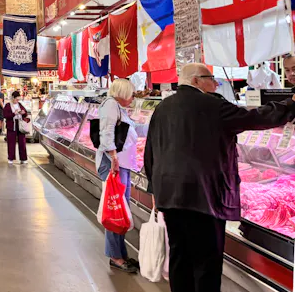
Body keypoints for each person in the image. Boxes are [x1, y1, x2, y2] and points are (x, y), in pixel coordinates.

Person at [145, 63, 295, 292]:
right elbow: (255, 118)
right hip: (205, 197)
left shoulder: (163, 107)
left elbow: (151, 151)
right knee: (207, 262)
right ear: (196, 80)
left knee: (179, 256)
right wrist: (290, 104)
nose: (216, 84)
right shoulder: (213, 105)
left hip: (170, 196)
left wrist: (155, 190)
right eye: (211, 78)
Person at [95, 78, 145, 274]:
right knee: (115, 210)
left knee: (121, 210)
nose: (132, 98)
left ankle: (120, 253)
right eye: (131, 94)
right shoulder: (110, 105)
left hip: (122, 164)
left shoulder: (118, 108)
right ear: (122, 93)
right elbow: (106, 133)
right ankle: (115, 256)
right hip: (114, 165)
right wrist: (114, 158)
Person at [3, 90, 28, 164]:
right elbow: (5, 115)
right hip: (11, 125)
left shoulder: (19, 104)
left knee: (22, 142)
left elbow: (25, 112)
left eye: (18, 99)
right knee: (11, 142)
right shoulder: (8, 105)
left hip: (20, 124)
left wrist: (23, 113)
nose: (17, 101)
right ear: (13, 98)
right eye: (16, 99)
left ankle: (23, 158)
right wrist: (14, 113)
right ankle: (10, 158)